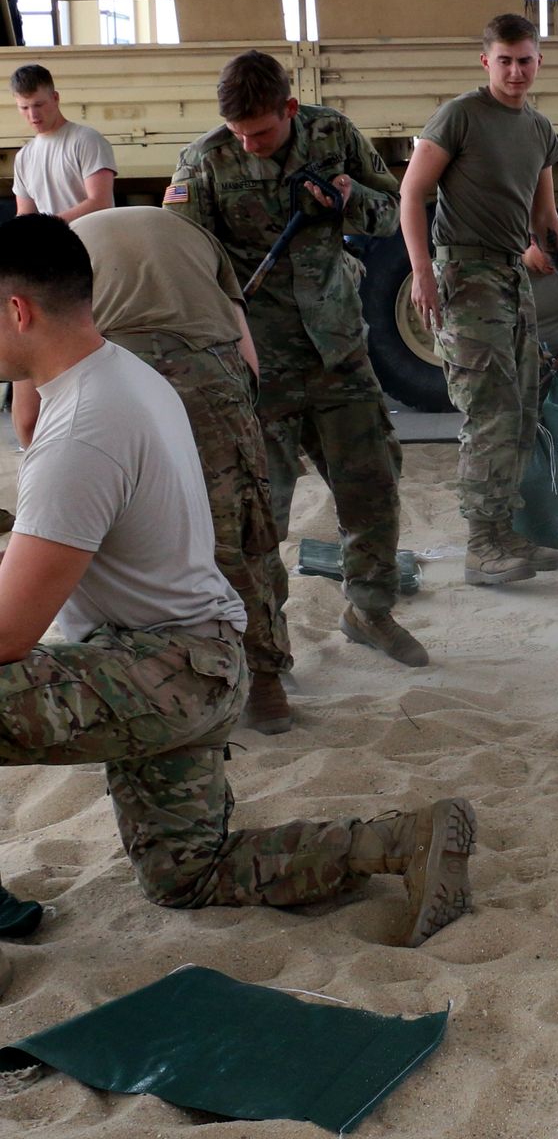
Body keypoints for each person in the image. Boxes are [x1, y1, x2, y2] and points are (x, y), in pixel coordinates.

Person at [0, 215, 478, 942]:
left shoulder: (79, 433)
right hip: (199, 659)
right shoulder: (122, 377)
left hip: (163, 671)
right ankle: (398, 841)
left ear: (16, 311)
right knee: (184, 875)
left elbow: (10, 632)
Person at [165, 50, 425, 694]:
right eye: (238, 133)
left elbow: (392, 211)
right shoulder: (204, 162)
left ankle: (370, 611)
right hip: (255, 369)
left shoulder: (333, 134)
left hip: (338, 350)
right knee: (257, 523)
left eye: (261, 131)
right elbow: (182, 257)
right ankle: (266, 664)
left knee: (372, 488)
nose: (248, 144)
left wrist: (344, 198)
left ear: (289, 108)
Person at [72, 206, 293, 732]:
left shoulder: (68, 247)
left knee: (127, 534)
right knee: (241, 532)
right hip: (207, 367)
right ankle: (266, 686)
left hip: (113, 366)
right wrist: (239, 423)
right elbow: (247, 355)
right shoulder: (197, 238)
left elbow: (45, 374)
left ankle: (155, 675)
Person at [399, 13, 558, 587]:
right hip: (465, 274)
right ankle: (482, 544)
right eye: (505, 61)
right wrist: (422, 271)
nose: (516, 71)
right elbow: (412, 192)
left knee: (522, 409)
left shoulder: (539, 130)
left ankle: (503, 532)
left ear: (538, 62)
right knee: (489, 411)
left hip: (510, 278)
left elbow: (544, 218)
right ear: (486, 62)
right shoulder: (460, 116)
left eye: (525, 60)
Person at [9, 65, 114, 223]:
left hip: (93, 244)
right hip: (55, 244)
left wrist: (48, 227)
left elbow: (100, 203)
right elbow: (25, 215)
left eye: (39, 105)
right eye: (24, 107)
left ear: (55, 98)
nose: (33, 115)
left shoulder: (87, 140)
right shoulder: (23, 158)